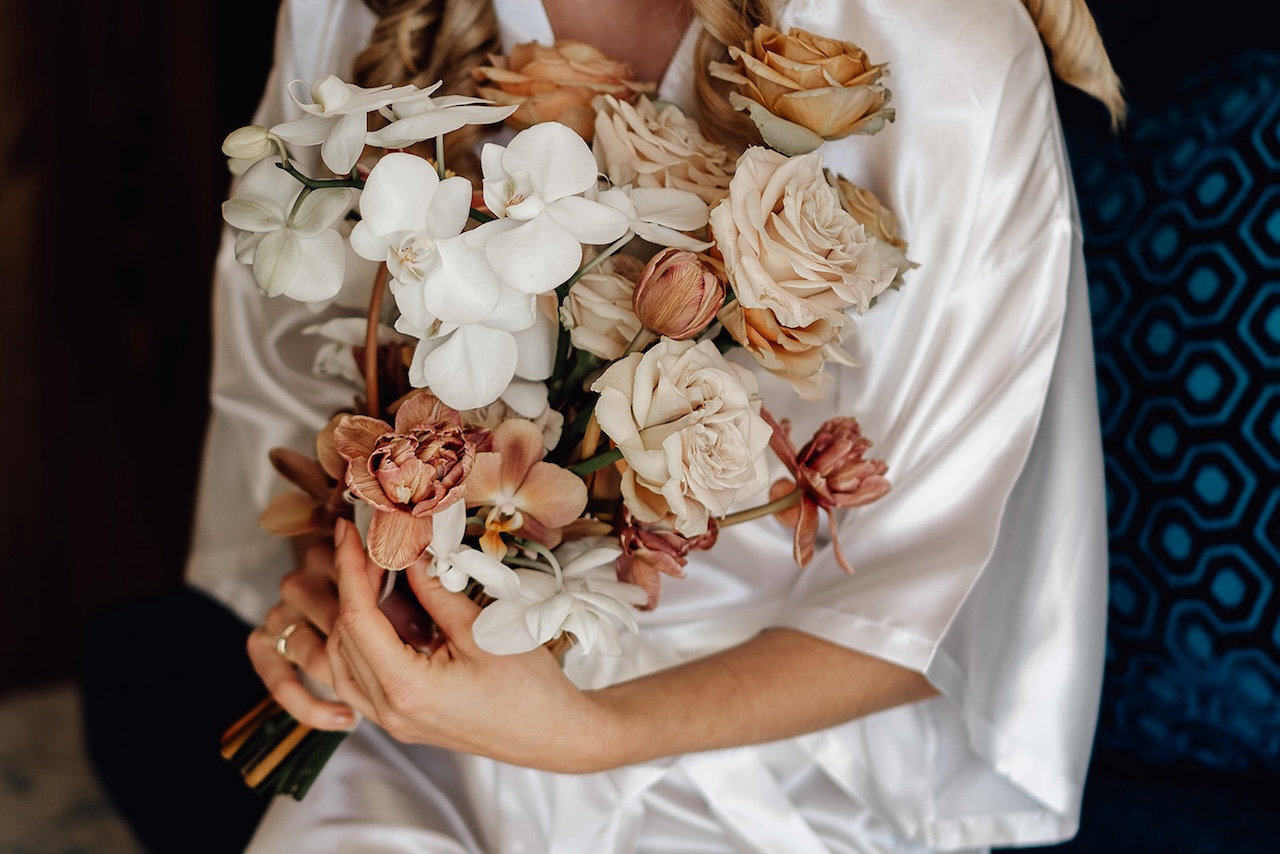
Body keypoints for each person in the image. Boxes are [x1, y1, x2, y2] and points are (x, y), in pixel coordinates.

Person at [184, 0, 1122, 849]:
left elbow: (941, 593)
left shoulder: (940, 43)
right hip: (427, 730)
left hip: (766, 760)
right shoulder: (350, 11)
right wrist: (343, 593)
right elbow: (292, 383)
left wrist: (590, 735)